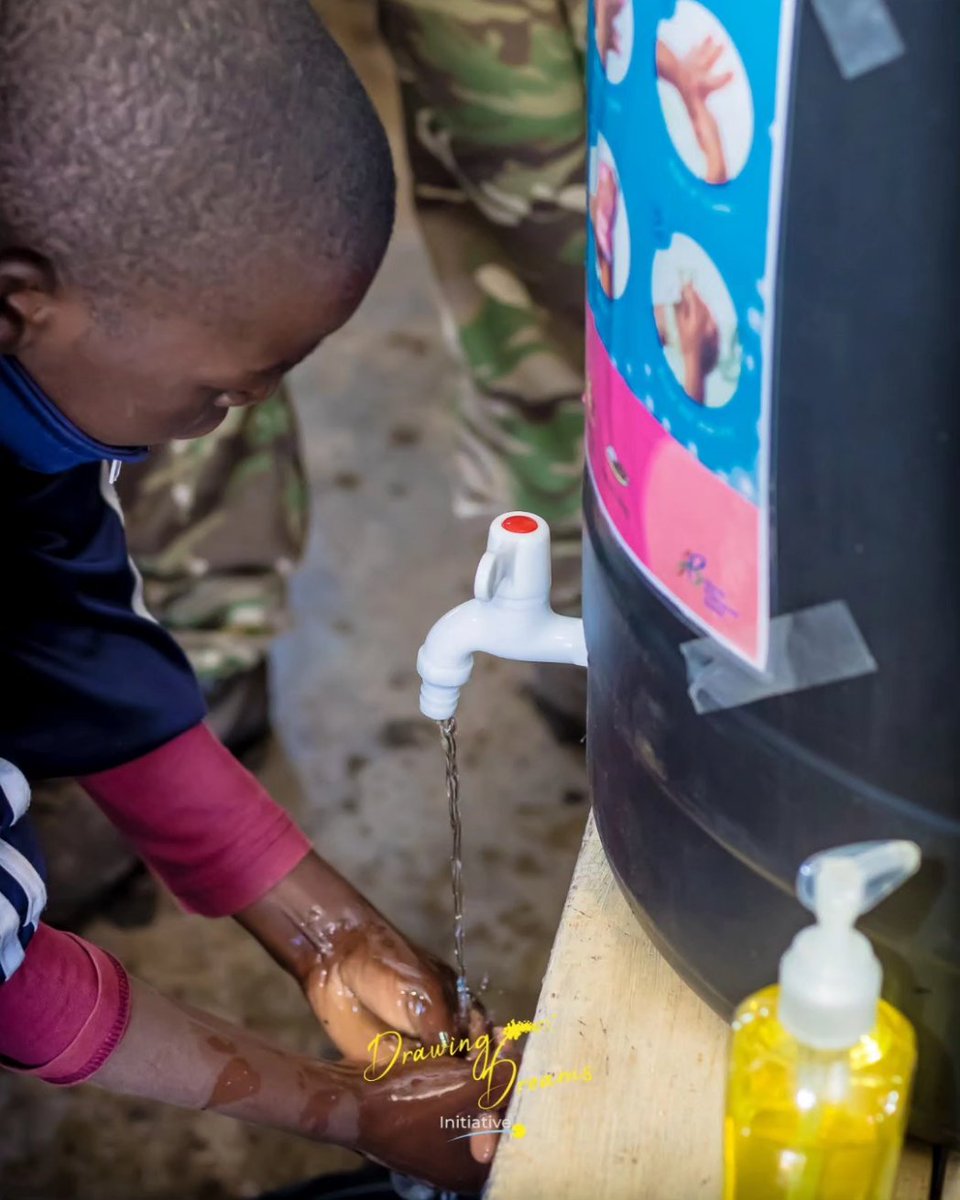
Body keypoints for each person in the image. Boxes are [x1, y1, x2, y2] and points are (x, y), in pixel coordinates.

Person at [0, 1, 506, 1192]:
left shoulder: (40, 405)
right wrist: (354, 1115)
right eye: (224, 392)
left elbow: (67, 632)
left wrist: (329, 932)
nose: (239, 417)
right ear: (20, 300)